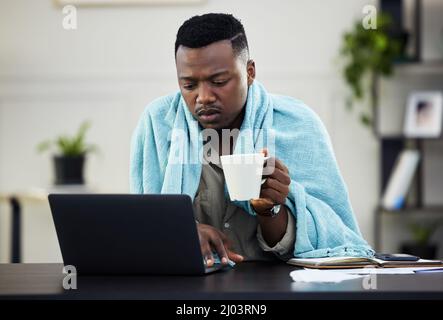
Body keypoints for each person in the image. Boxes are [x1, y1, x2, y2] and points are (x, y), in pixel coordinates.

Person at [130, 13, 373, 267]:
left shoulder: (298, 124)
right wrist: (181, 232)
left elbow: (333, 239)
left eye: (219, 81)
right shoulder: (157, 124)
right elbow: (143, 227)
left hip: (278, 288)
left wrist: (270, 210)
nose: (203, 97)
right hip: (188, 289)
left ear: (249, 72)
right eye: (189, 85)